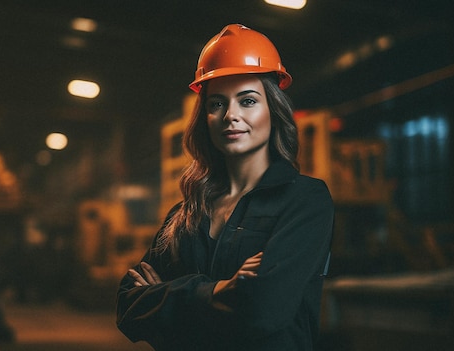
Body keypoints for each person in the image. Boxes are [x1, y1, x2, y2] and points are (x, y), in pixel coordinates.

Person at [116, 24, 334, 351]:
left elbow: (262, 311)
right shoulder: (186, 214)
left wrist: (167, 302)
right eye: (217, 104)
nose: (230, 115)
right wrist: (219, 292)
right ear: (204, 116)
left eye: (247, 101)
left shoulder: (305, 200)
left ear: (273, 111)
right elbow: (127, 306)